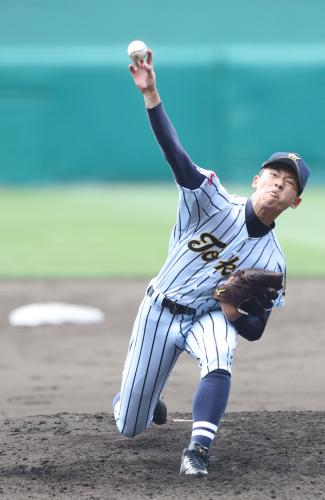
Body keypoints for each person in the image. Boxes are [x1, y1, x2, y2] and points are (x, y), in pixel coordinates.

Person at [113, 48, 310, 476]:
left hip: (208, 317)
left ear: (295, 202)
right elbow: (176, 155)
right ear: (257, 180)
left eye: (288, 183)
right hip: (159, 310)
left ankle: (197, 450)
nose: (278, 184)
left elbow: (255, 330)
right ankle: (146, 399)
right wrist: (151, 96)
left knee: (221, 353)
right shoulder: (211, 199)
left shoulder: (272, 261)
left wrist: (232, 312)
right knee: (130, 425)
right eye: (273, 176)